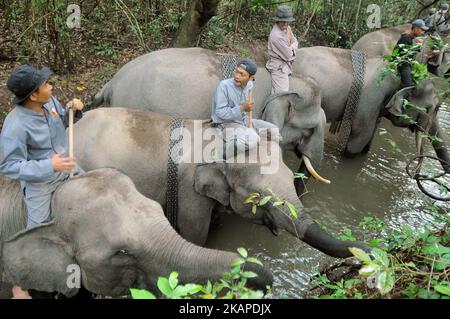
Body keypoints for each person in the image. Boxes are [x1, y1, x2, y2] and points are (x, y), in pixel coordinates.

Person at [0, 65, 84, 298]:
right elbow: (9, 166)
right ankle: (32, 285)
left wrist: (74, 111)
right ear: (33, 95)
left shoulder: (49, 103)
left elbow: (65, 122)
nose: (51, 87)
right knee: (39, 234)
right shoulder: (15, 125)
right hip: (41, 184)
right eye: (45, 85)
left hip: (69, 168)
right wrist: (50, 165)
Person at [211, 59, 279, 160]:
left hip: (243, 121)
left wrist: (248, 106)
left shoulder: (250, 85)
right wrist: (242, 108)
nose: (237, 76)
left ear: (251, 78)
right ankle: (219, 153)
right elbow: (220, 113)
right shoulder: (224, 86)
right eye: (236, 72)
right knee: (252, 138)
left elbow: (247, 103)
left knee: (274, 131)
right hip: (225, 124)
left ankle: (247, 141)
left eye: (242, 74)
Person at [266, 5, 299, 93]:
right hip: (279, 67)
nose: (286, 23)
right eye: (283, 21)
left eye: (287, 21)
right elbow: (288, 55)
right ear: (278, 20)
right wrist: (293, 46)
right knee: (282, 93)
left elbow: (295, 40)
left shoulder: (287, 28)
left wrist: (291, 46)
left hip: (286, 62)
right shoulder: (276, 36)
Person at [393, 19, 429, 89]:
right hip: (402, 62)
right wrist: (417, 46)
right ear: (415, 29)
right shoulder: (406, 38)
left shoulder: (412, 37)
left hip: (406, 60)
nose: (422, 32)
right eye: (421, 29)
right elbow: (403, 54)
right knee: (408, 85)